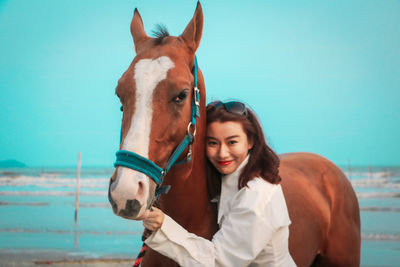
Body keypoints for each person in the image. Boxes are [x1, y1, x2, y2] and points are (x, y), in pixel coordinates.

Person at [142, 100, 296, 267]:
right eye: (213, 143)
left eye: (232, 142)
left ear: (250, 141)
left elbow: (220, 262)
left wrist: (163, 226)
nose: (222, 153)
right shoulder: (229, 180)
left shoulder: (256, 196)